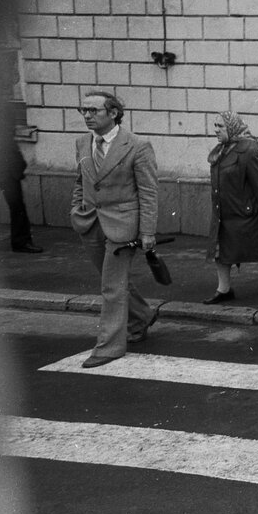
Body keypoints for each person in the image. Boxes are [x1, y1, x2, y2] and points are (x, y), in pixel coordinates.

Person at [70, 91, 158, 368]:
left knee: (111, 286)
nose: (87, 116)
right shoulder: (83, 142)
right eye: (83, 110)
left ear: (113, 113)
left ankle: (109, 347)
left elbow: (148, 192)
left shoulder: (137, 146)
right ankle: (142, 315)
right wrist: (76, 210)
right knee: (114, 281)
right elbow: (80, 180)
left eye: (94, 111)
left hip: (123, 225)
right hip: (90, 222)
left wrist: (147, 232)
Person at [203, 111, 258, 304]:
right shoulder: (221, 150)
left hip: (246, 216)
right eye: (215, 126)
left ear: (232, 128)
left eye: (220, 126)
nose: (216, 130)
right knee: (220, 252)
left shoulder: (250, 149)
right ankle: (223, 289)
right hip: (224, 214)